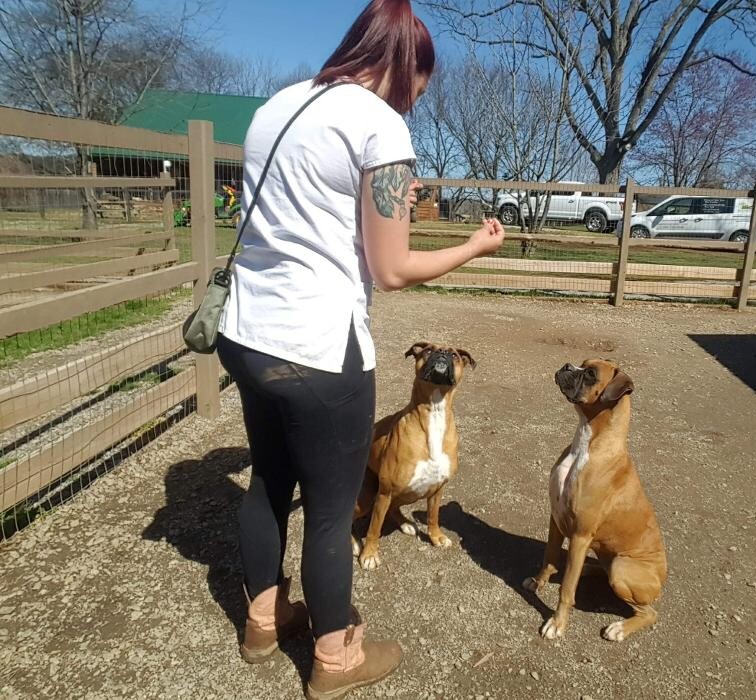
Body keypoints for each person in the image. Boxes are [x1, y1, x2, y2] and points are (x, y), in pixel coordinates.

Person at [215, 1, 505, 697]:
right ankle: (336, 661)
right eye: (419, 88)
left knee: (266, 478)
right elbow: (393, 270)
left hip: (246, 333)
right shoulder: (381, 125)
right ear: (409, 68)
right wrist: (473, 244)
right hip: (318, 348)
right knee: (328, 506)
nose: (416, 101)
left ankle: (262, 621)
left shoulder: (278, 106)